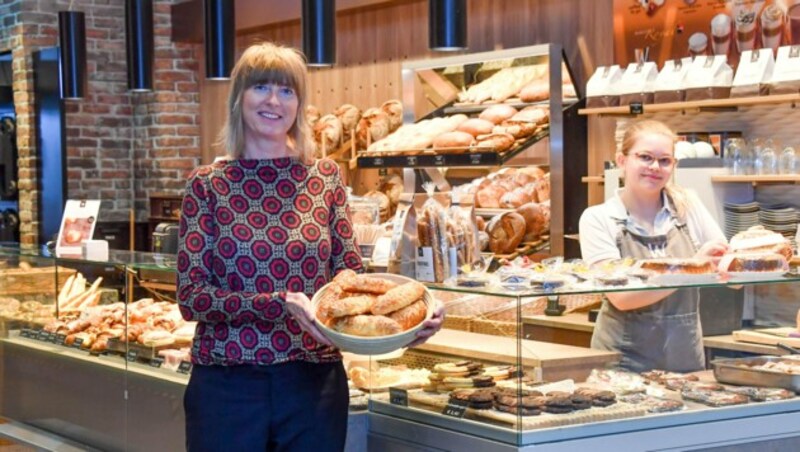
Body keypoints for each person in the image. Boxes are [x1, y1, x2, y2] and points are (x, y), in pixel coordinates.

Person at [177, 42, 444, 452]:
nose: (273, 100)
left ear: (299, 104)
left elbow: (348, 277)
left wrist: (406, 324)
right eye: (260, 87)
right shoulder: (207, 185)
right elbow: (192, 297)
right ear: (239, 98)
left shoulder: (325, 178)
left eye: (287, 91)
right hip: (227, 387)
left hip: (313, 384)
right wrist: (279, 302)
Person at [579, 120, 728, 373]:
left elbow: (728, 270)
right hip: (622, 364)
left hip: (685, 361)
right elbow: (623, 297)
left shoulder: (688, 207)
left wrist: (754, 256)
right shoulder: (598, 218)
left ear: (674, 166)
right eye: (645, 157)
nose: (655, 167)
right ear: (622, 160)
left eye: (664, 160)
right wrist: (693, 267)